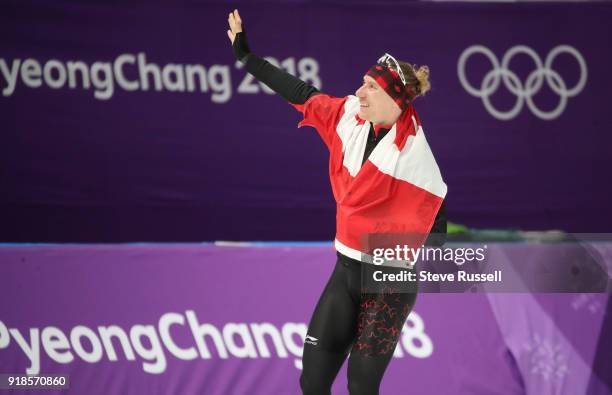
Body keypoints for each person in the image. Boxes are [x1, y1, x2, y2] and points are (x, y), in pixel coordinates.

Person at [226, 9, 447, 395]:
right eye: (362, 83)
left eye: (370, 88)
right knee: (312, 381)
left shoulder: (414, 157)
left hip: (389, 282)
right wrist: (248, 58)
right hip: (345, 270)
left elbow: (438, 221)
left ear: (394, 100)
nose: (359, 92)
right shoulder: (347, 118)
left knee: (361, 386)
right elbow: (299, 92)